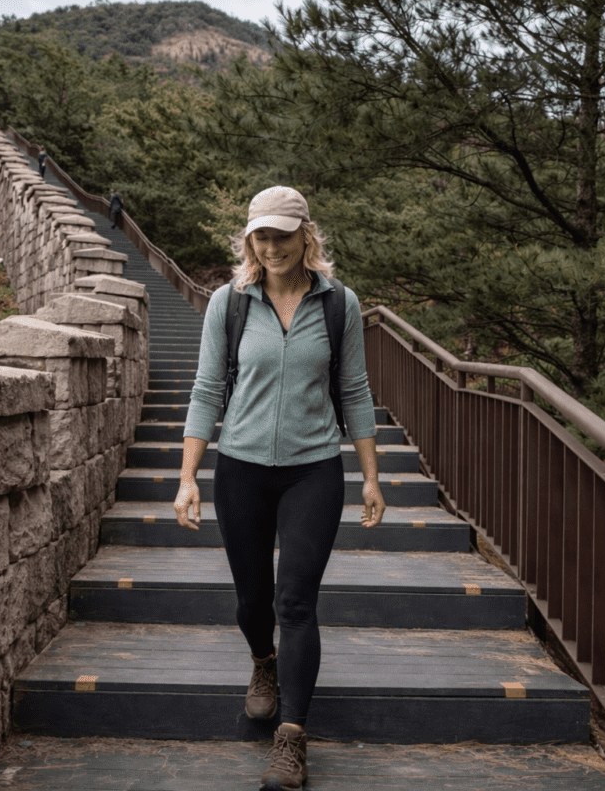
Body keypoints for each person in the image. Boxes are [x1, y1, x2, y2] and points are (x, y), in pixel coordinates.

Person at [174, 186, 385, 791]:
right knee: (252, 602)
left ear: (305, 236)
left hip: (313, 470)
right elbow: (207, 390)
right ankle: (263, 663)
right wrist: (188, 476)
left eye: (282, 236)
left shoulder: (339, 305)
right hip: (239, 469)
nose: (271, 247)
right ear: (249, 240)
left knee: (295, 602)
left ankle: (292, 739)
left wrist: (371, 476)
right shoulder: (229, 302)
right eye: (260, 237)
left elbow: (355, 392)